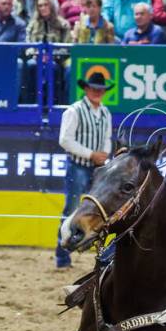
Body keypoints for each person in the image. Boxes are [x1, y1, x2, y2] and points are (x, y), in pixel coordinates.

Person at [55, 71, 112, 269]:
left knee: (102, 212)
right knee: (70, 210)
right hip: (78, 166)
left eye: (100, 90)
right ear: (86, 89)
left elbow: (107, 138)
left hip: (97, 169)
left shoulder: (105, 112)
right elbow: (65, 140)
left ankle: (101, 256)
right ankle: (62, 257)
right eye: (94, 89)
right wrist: (91, 154)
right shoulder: (74, 110)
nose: (97, 92)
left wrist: (104, 155)